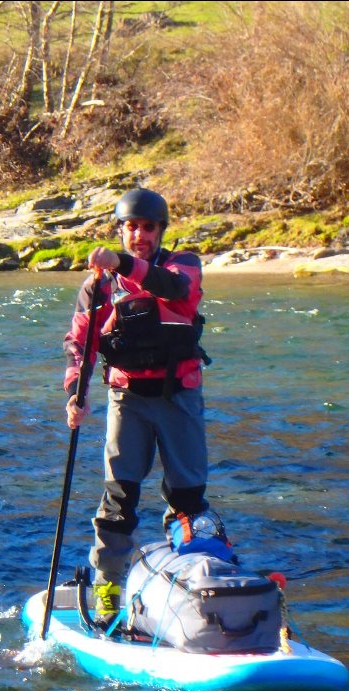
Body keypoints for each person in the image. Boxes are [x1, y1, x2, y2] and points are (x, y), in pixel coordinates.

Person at [62, 187, 213, 626]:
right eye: (131, 227)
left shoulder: (183, 265)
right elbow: (81, 344)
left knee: (187, 497)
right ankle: (109, 584)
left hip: (177, 395)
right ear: (121, 229)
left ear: (160, 231)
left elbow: (173, 291)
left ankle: (193, 585)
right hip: (126, 399)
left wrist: (123, 263)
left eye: (148, 227)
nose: (139, 234)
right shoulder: (97, 286)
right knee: (118, 499)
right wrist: (76, 392)